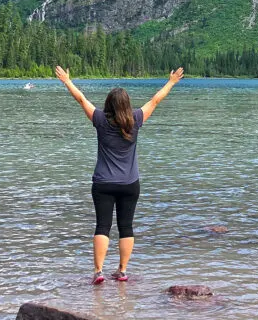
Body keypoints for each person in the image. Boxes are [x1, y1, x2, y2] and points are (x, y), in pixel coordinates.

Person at [54, 65, 184, 284]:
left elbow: (81, 99)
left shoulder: (100, 120)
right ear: (127, 104)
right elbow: (155, 101)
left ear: (108, 104)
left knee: (102, 225)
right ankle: (122, 271)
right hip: (129, 183)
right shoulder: (135, 119)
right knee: (126, 226)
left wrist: (67, 81)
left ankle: (98, 272)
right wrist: (171, 82)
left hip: (103, 183)